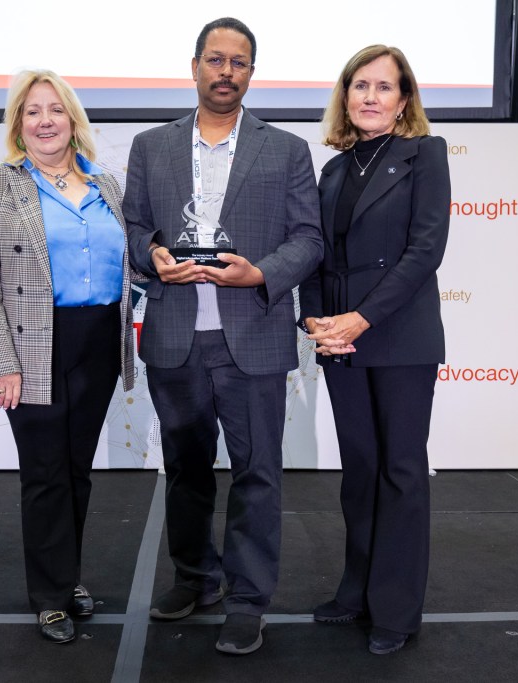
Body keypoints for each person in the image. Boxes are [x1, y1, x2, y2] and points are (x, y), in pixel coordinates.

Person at [124, 17, 322, 656]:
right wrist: (152, 255)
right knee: (184, 471)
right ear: (195, 66)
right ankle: (195, 579)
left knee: (257, 473)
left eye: (239, 62)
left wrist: (259, 273)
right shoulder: (151, 147)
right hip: (175, 336)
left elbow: (309, 239)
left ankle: (247, 601)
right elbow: (135, 228)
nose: (226, 71)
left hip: (254, 337)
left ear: (251, 73)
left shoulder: (287, 150)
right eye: (216, 59)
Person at [0, 70, 134, 644]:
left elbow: (128, 265)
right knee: (43, 473)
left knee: (76, 472)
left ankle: (68, 576)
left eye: (55, 110)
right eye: (32, 111)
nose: (44, 121)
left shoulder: (106, 184)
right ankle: (50, 597)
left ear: (73, 120)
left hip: (99, 342)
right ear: (17, 124)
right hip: (30, 344)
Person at [298, 45, 450, 655]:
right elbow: (314, 250)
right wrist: (316, 320)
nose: (369, 97)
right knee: (360, 470)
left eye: (383, 87)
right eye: (360, 85)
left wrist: (359, 318)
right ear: (345, 96)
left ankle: (396, 609)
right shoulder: (333, 169)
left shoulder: (425, 155)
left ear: (404, 99)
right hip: (340, 339)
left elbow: (425, 250)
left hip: (398, 336)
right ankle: (357, 591)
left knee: (401, 472)